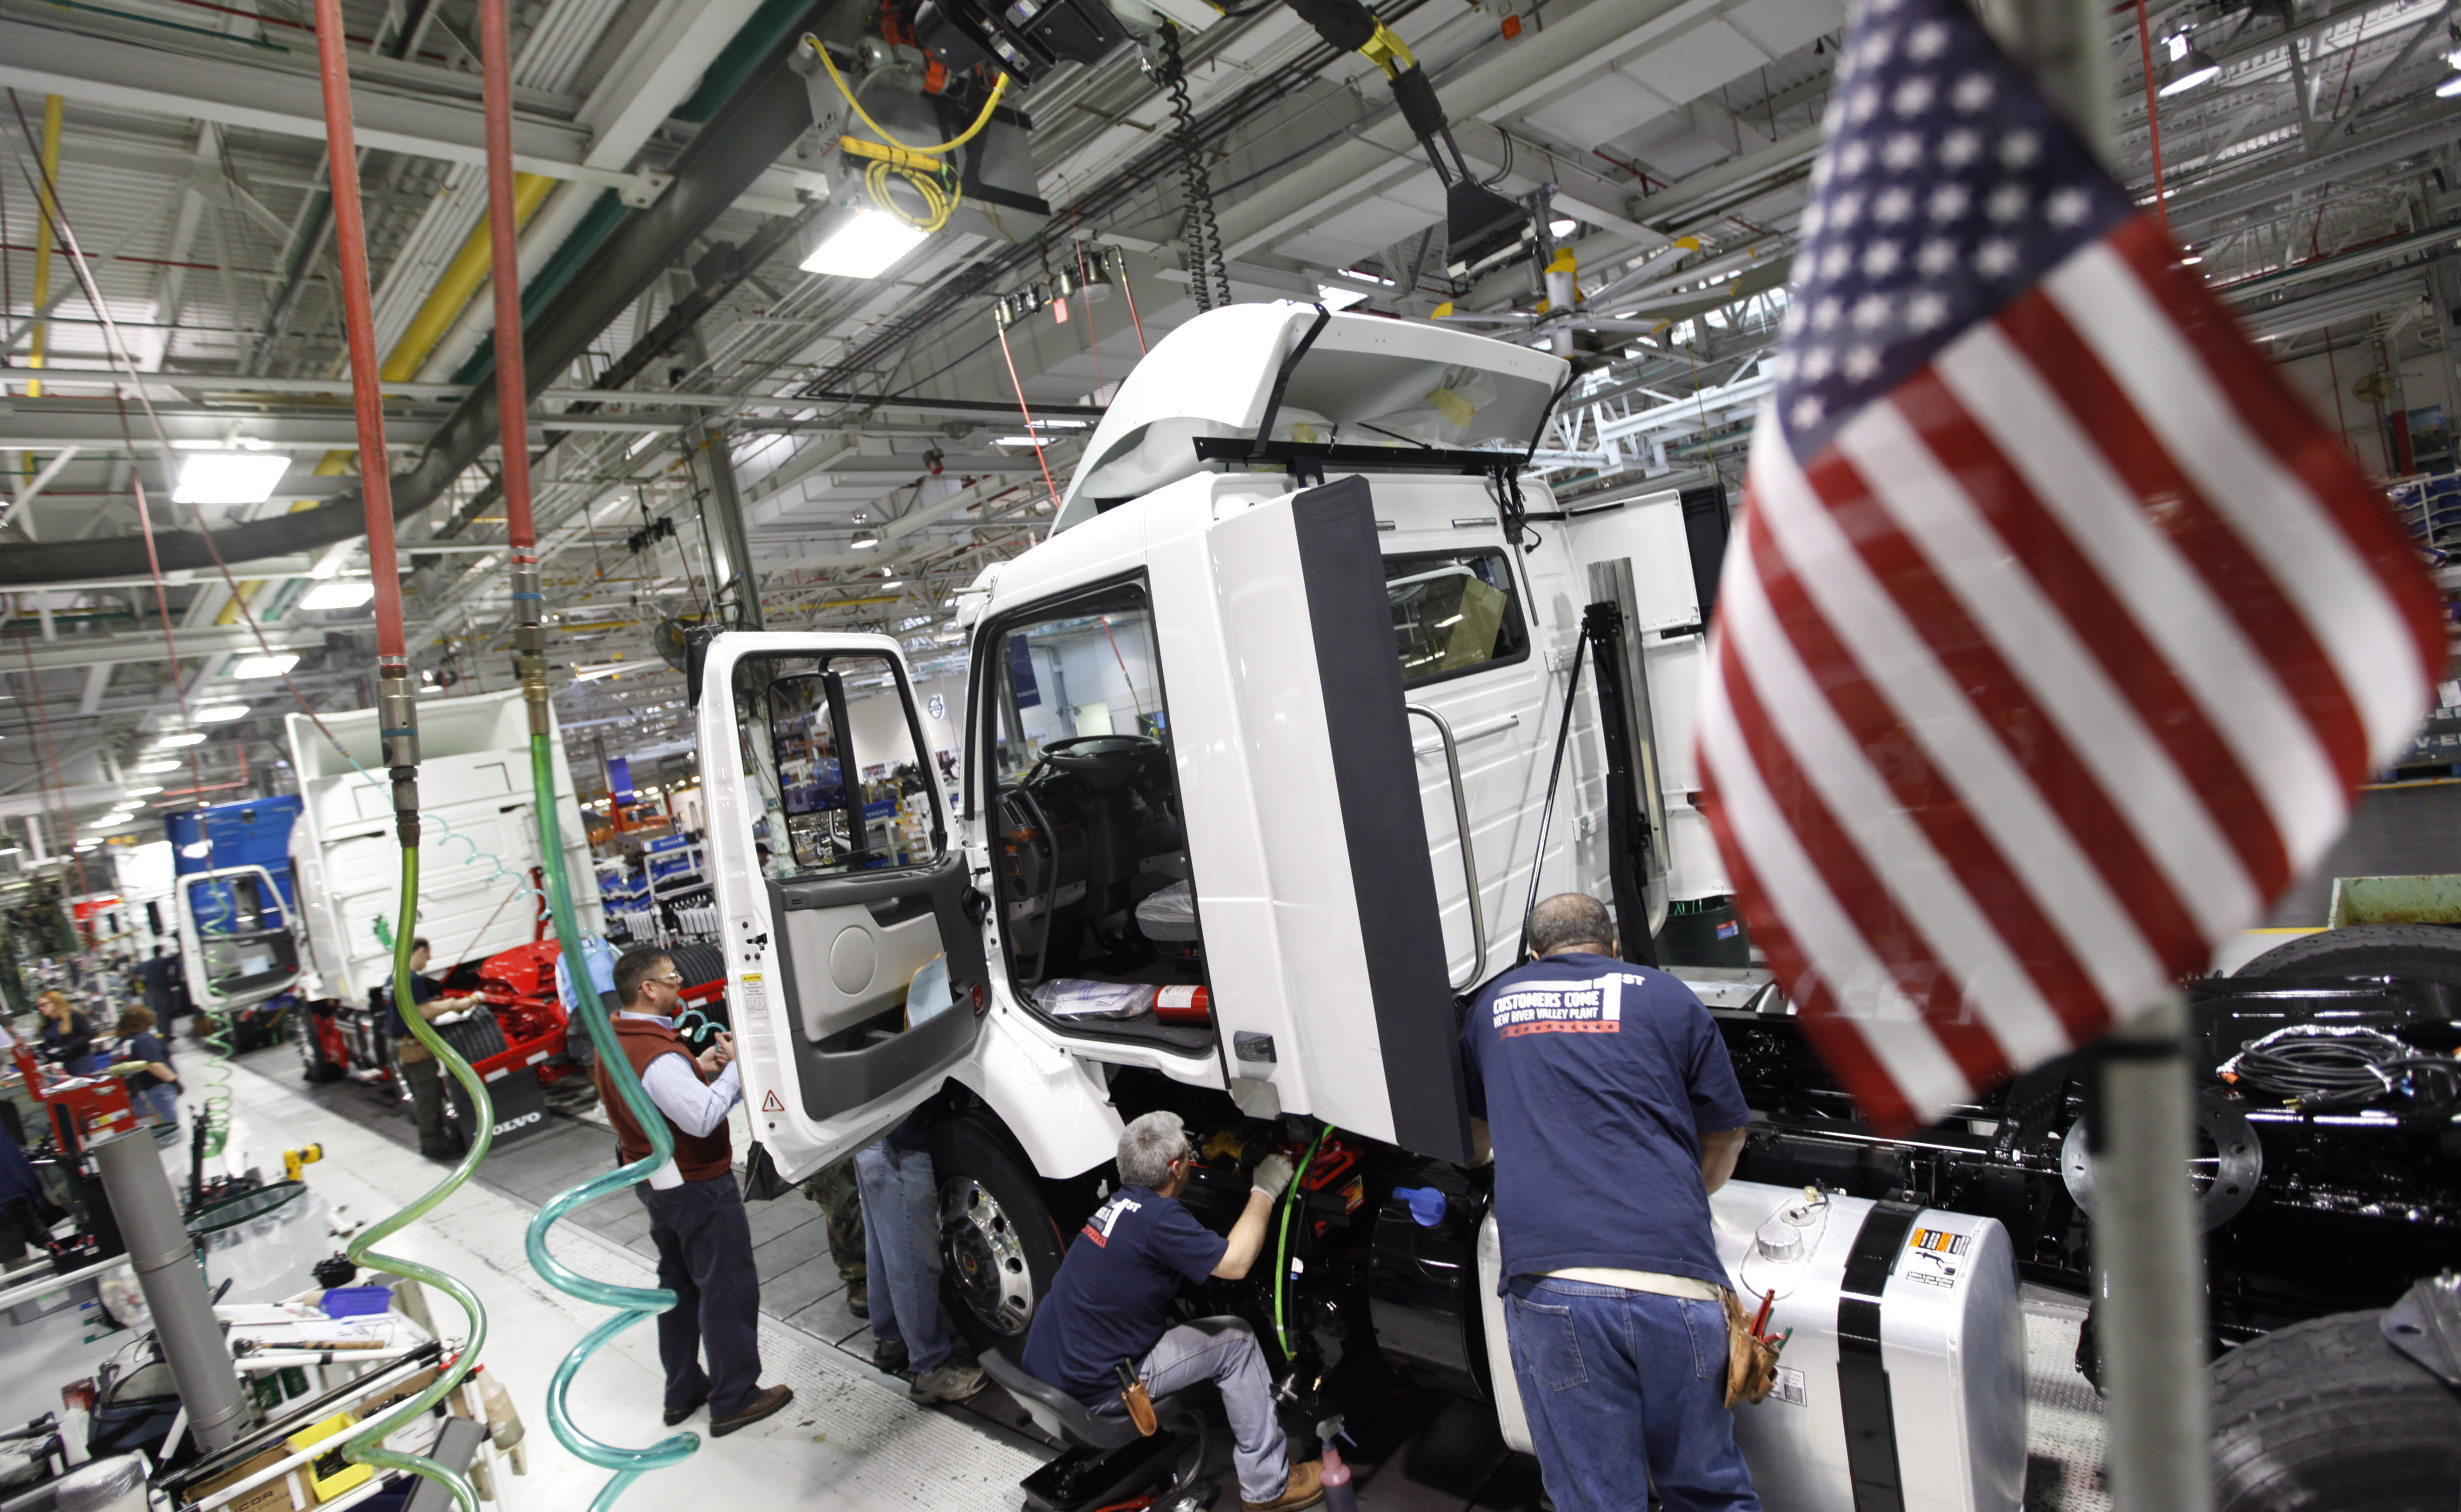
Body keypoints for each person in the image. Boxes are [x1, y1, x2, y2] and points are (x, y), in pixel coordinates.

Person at [1460, 893, 1759, 1512]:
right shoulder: (1666, 994)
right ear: (1614, 946)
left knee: (1596, 1498)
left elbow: (1475, 1140)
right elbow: (1728, 1134)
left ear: (1534, 955)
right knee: (1708, 1489)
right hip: (1678, 1280)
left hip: (1552, 1282)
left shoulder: (1490, 1006)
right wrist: (1677, 1193)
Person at [1021, 1112, 1321, 1512]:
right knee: (1237, 1341)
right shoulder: (1159, 1218)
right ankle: (1268, 1486)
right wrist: (1263, 1189)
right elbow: (1235, 1263)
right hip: (1102, 1390)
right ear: (1177, 1167)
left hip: (1047, 1373)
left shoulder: (1115, 1206)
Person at [593, 945, 793, 1437]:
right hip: (695, 1184)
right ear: (649, 988)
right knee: (724, 1285)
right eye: (672, 977)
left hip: (653, 1179)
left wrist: (695, 1069)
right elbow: (701, 1118)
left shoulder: (618, 1035)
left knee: (678, 1286)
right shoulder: (655, 1053)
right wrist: (735, 1072)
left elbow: (654, 1091)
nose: (679, 984)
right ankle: (736, 1396)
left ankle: (682, 1388)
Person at [854, 1106, 980, 1401]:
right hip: (900, 1143)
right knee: (914, 1261)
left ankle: (892, 1339)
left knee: (885, 1247)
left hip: (870, 1135)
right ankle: (930, 1368)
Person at [391, 939, 483, 1161]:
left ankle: (439, 1139)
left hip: (401, 1045)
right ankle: (434, 1145)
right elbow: (422, 1011)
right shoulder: (411, 979)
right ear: (420, 952)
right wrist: (455, 1004)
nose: (429, 960)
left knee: (428, 1094)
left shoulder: (394, 977)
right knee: (428, 1095)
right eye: (428, 954)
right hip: (412, 1045)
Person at [107, 1005, 182, 1132]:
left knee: (153, 1134)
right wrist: (174, 1082)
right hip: (156, 1092)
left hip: (135, 1098)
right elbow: (153, 1065)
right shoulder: (144, 1039)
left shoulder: (118, 1047)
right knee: (169, 1130)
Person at [34, 991, 105, 1076]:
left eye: (44, 1005)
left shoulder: (73, 1016)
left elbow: (89, 1034)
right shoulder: (45, 1025)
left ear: (56, 1003)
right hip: (61, 1065)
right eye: (39, 1006)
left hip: (80, 1060)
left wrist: (69, 1047)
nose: (41, 1008)